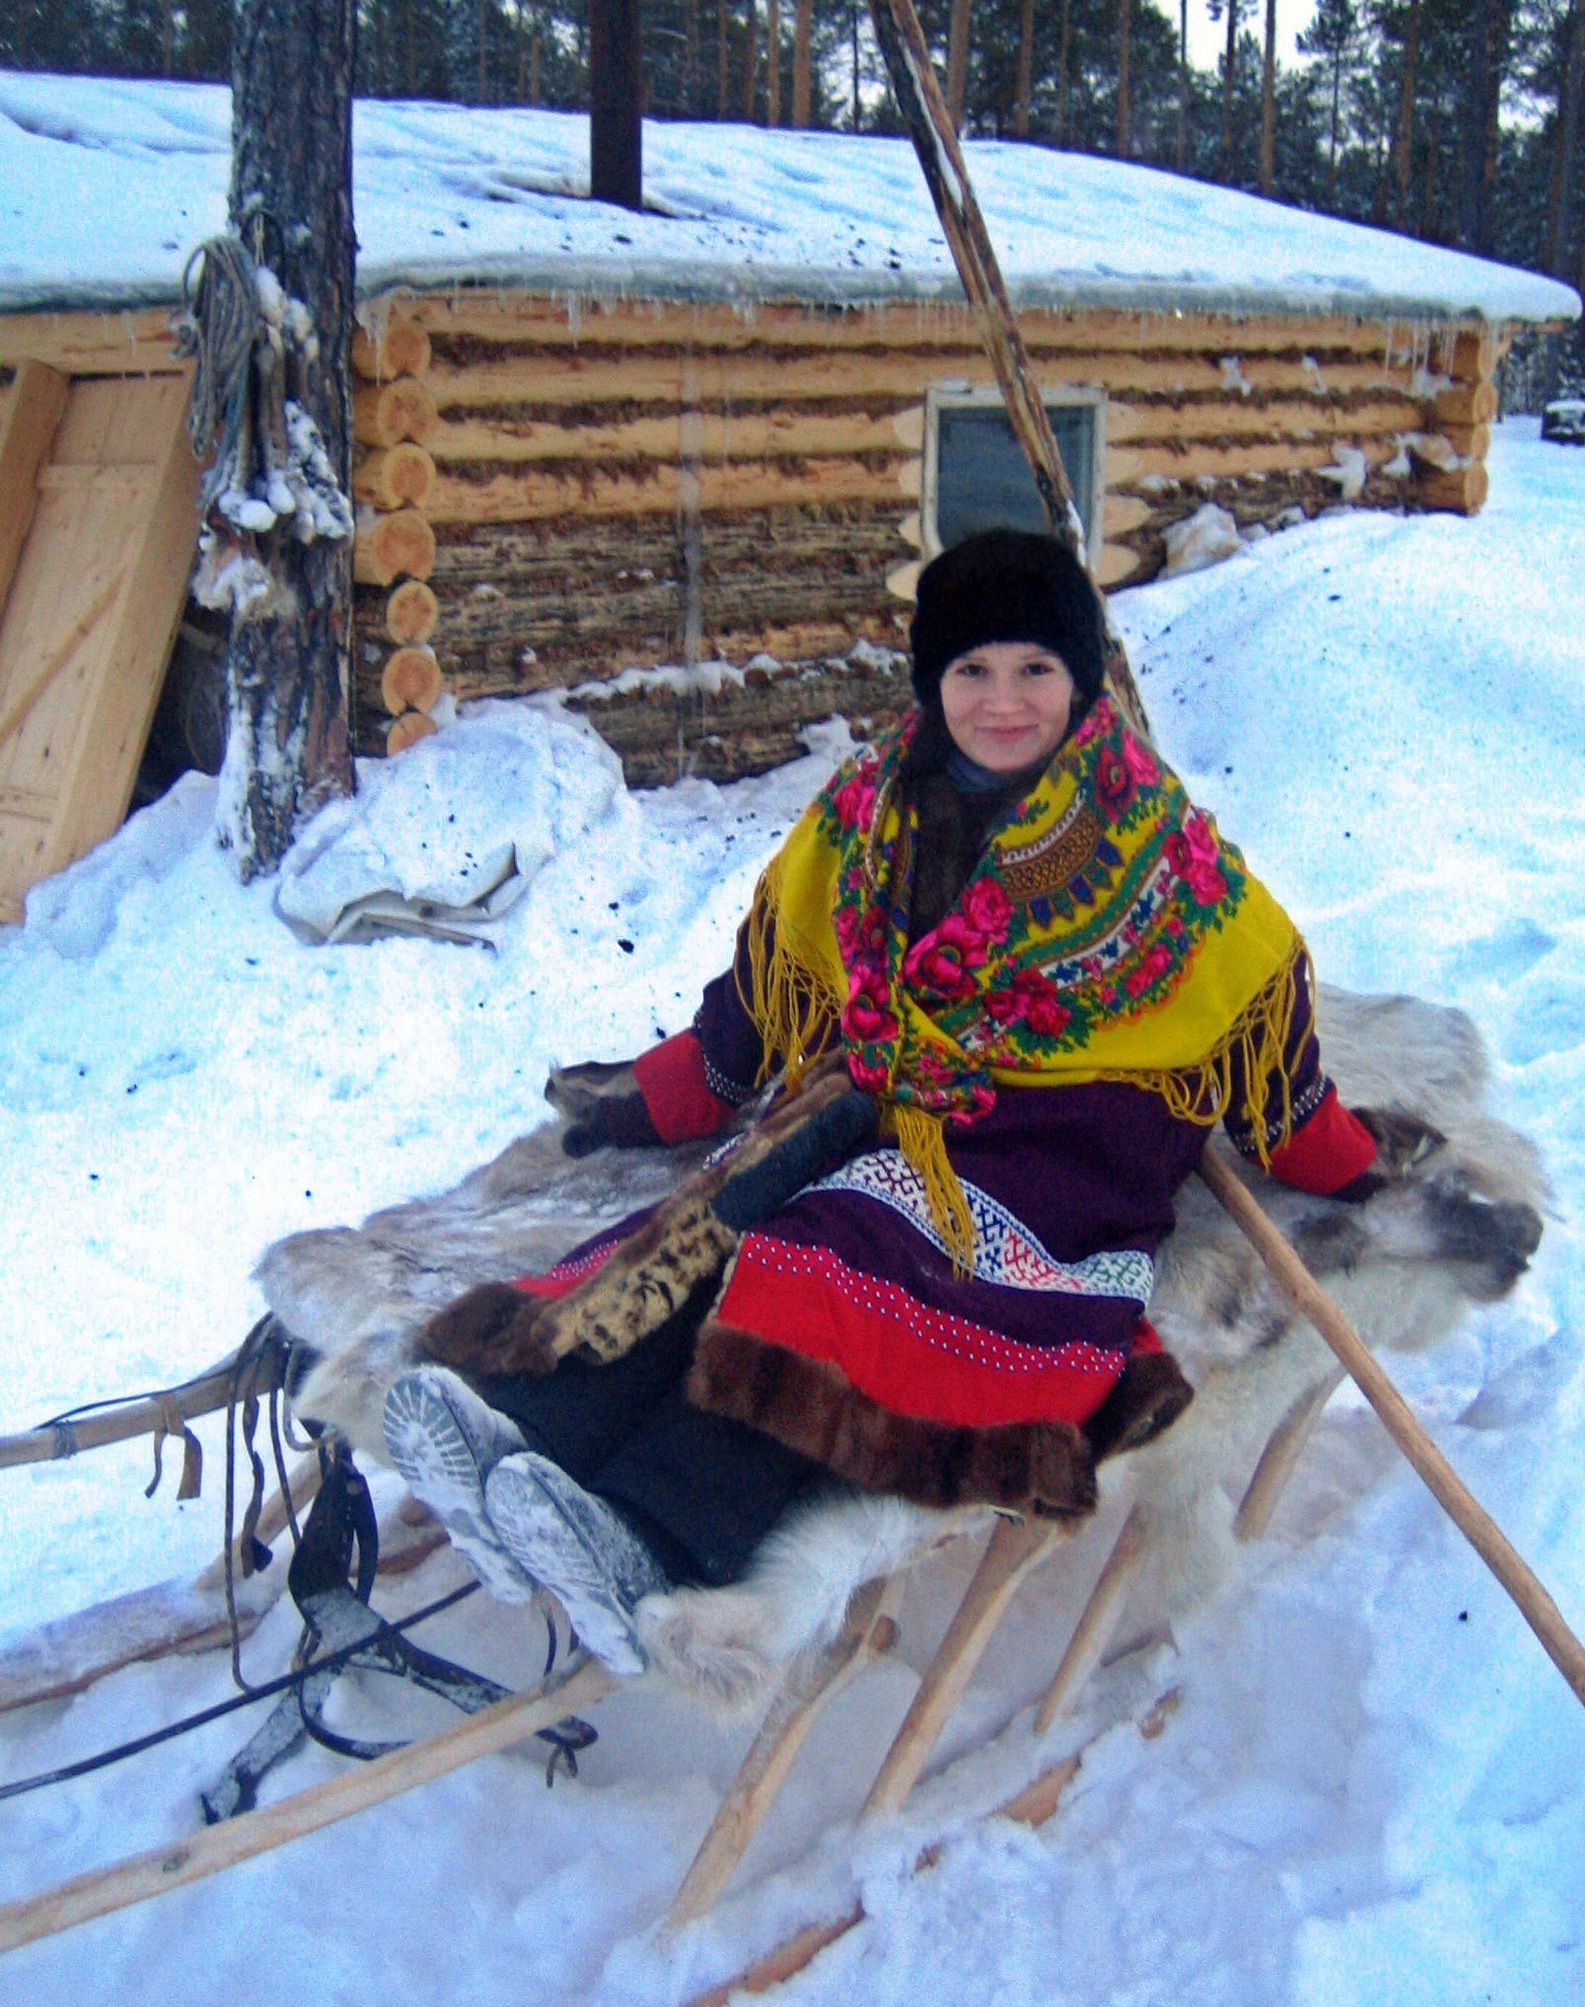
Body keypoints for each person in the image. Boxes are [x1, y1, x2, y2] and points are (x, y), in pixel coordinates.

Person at [384, 529, 1407, 1676]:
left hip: (1056, 1174)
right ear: (934, 680)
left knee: (830, 1253)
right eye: (973, 669)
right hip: (889, 1103)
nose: (1003, 701)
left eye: (1034, 668)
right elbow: (765, 988)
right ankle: (529, 1435)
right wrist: (665, 1094)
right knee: (720, 1217)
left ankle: (662, 1531)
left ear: (1080, 679)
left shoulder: (1164, 852)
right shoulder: (874, 807)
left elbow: (1268, 1027)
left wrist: (1356, 1159)